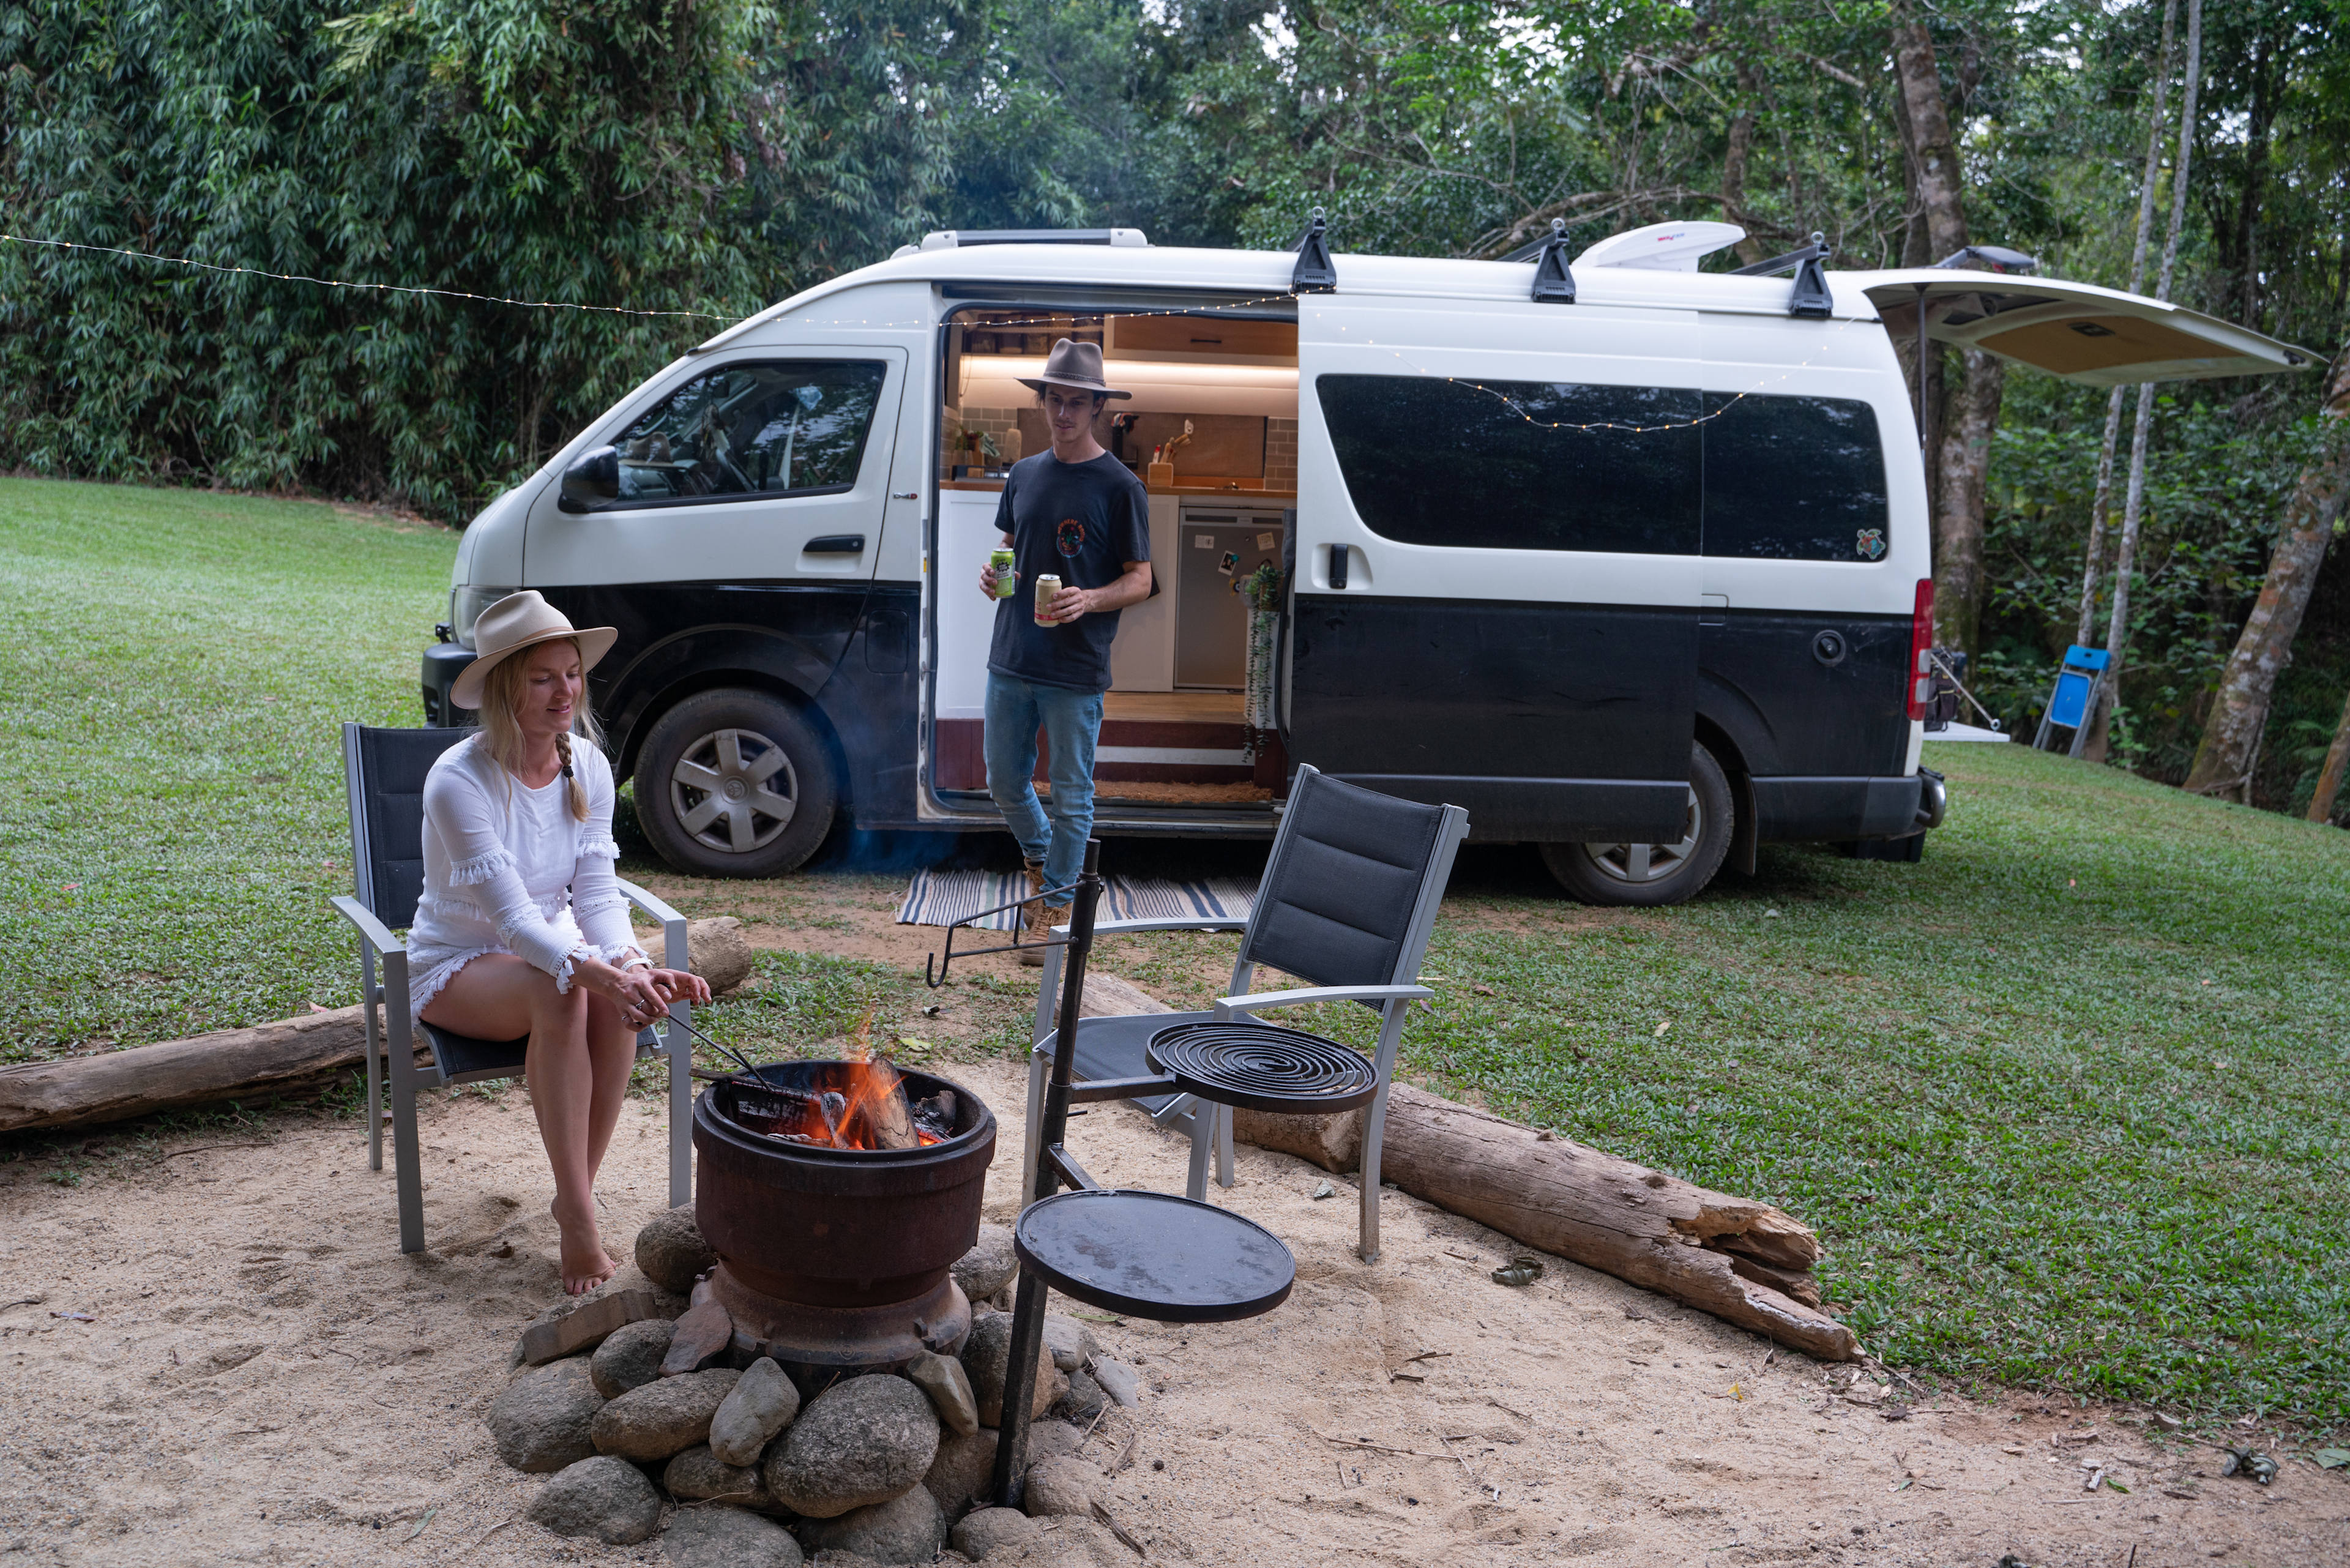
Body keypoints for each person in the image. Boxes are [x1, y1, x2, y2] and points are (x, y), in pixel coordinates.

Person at [408, 591, 712, 1293]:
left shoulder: (589, 766)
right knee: (566, 987)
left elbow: (599, 898)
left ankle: (573, 1191)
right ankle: (579, 1216)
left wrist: (635, 966)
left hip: (551, 950)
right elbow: (514, 923)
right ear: (506, 689)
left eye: (571, 673)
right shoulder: (459, 780)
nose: (565, 691)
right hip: (459, 961)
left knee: (606, 998)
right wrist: (598, 971)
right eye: (543, 678)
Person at [976, 338, 1154, 960]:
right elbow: (1009, 546)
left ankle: (1053, 914)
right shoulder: (1024, 474)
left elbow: (1142, 578)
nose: (1064, 414)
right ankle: (1044, 859)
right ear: (1044, 402)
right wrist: (991, 575)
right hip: (1011, 656)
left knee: (1072, 793)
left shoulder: (1120, 486)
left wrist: (1092, 599)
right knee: (1003, 780)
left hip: (1076, 669)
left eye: (1078, 403)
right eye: (1056, 400)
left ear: (1098, 408)